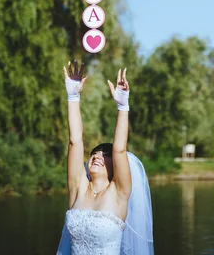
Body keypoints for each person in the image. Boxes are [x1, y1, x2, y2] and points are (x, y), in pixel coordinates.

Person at [57, 60, 154, 255]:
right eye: (95, 152)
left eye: (105, 154)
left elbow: (119, 148)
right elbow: (75, 141)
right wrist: (73, 95)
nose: (97, 155)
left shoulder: (119, 193)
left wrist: (123, 106)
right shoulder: (78, 188)